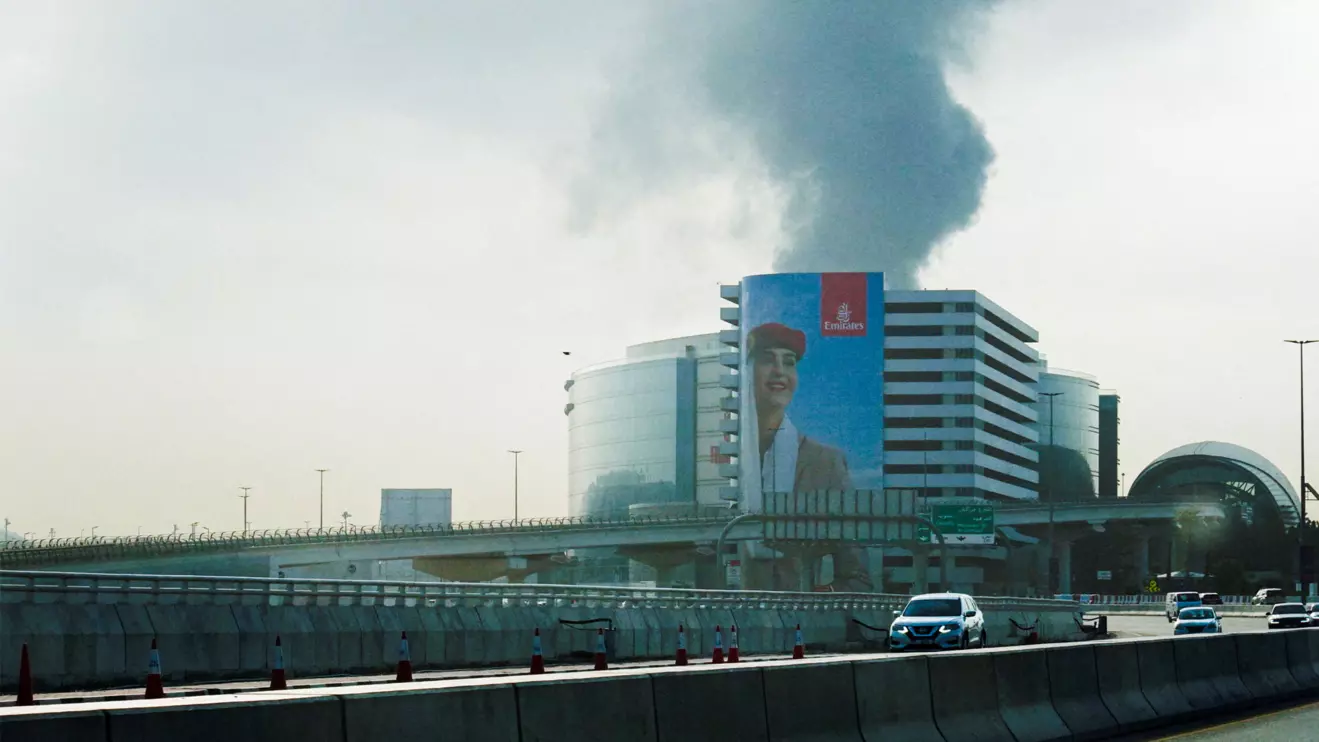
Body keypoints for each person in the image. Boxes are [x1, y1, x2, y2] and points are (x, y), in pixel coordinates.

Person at [746, 322, 871, 592]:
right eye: (767, 359)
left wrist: (822, 596)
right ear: (746, 371)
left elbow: (856, 576)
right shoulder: (731, 461)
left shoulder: (825, 462)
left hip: (803, 619)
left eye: (789, 362)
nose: (779, 371)